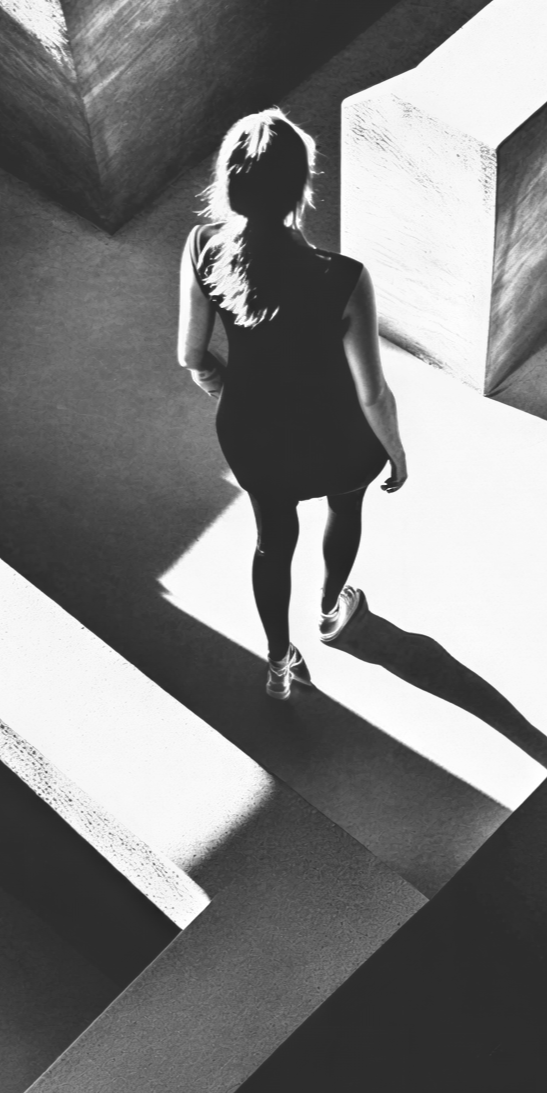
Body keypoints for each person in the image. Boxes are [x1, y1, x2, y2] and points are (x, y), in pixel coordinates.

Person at [177, 110, 408, 698]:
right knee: (345, 507)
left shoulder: (203, 247)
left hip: (255, 438)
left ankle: (279, 664)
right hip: (338, 439)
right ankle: (332, 609)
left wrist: (231, 390)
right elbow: (372, 392)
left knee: (270, 543)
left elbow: (191, 355)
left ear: (230, 183)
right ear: (302, 189)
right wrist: (397, 452)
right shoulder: (344, 278)